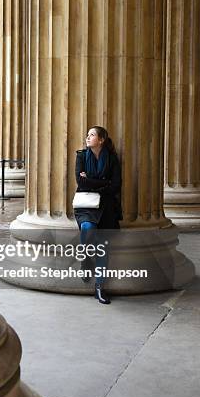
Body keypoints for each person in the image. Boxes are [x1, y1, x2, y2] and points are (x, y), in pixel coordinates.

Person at [74, 126, 122, 304]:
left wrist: (91, 181)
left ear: (101, 140)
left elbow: (116, 185)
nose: (87, 138)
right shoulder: (81, 156)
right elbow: (80, 182)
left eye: (92, 135)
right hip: (86, 205)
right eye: (87, 135)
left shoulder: (111, 158)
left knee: (103, 248)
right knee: (87, 228)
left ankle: (99, 288)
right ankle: (85, 258)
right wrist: (103, 182)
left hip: (107, 206)